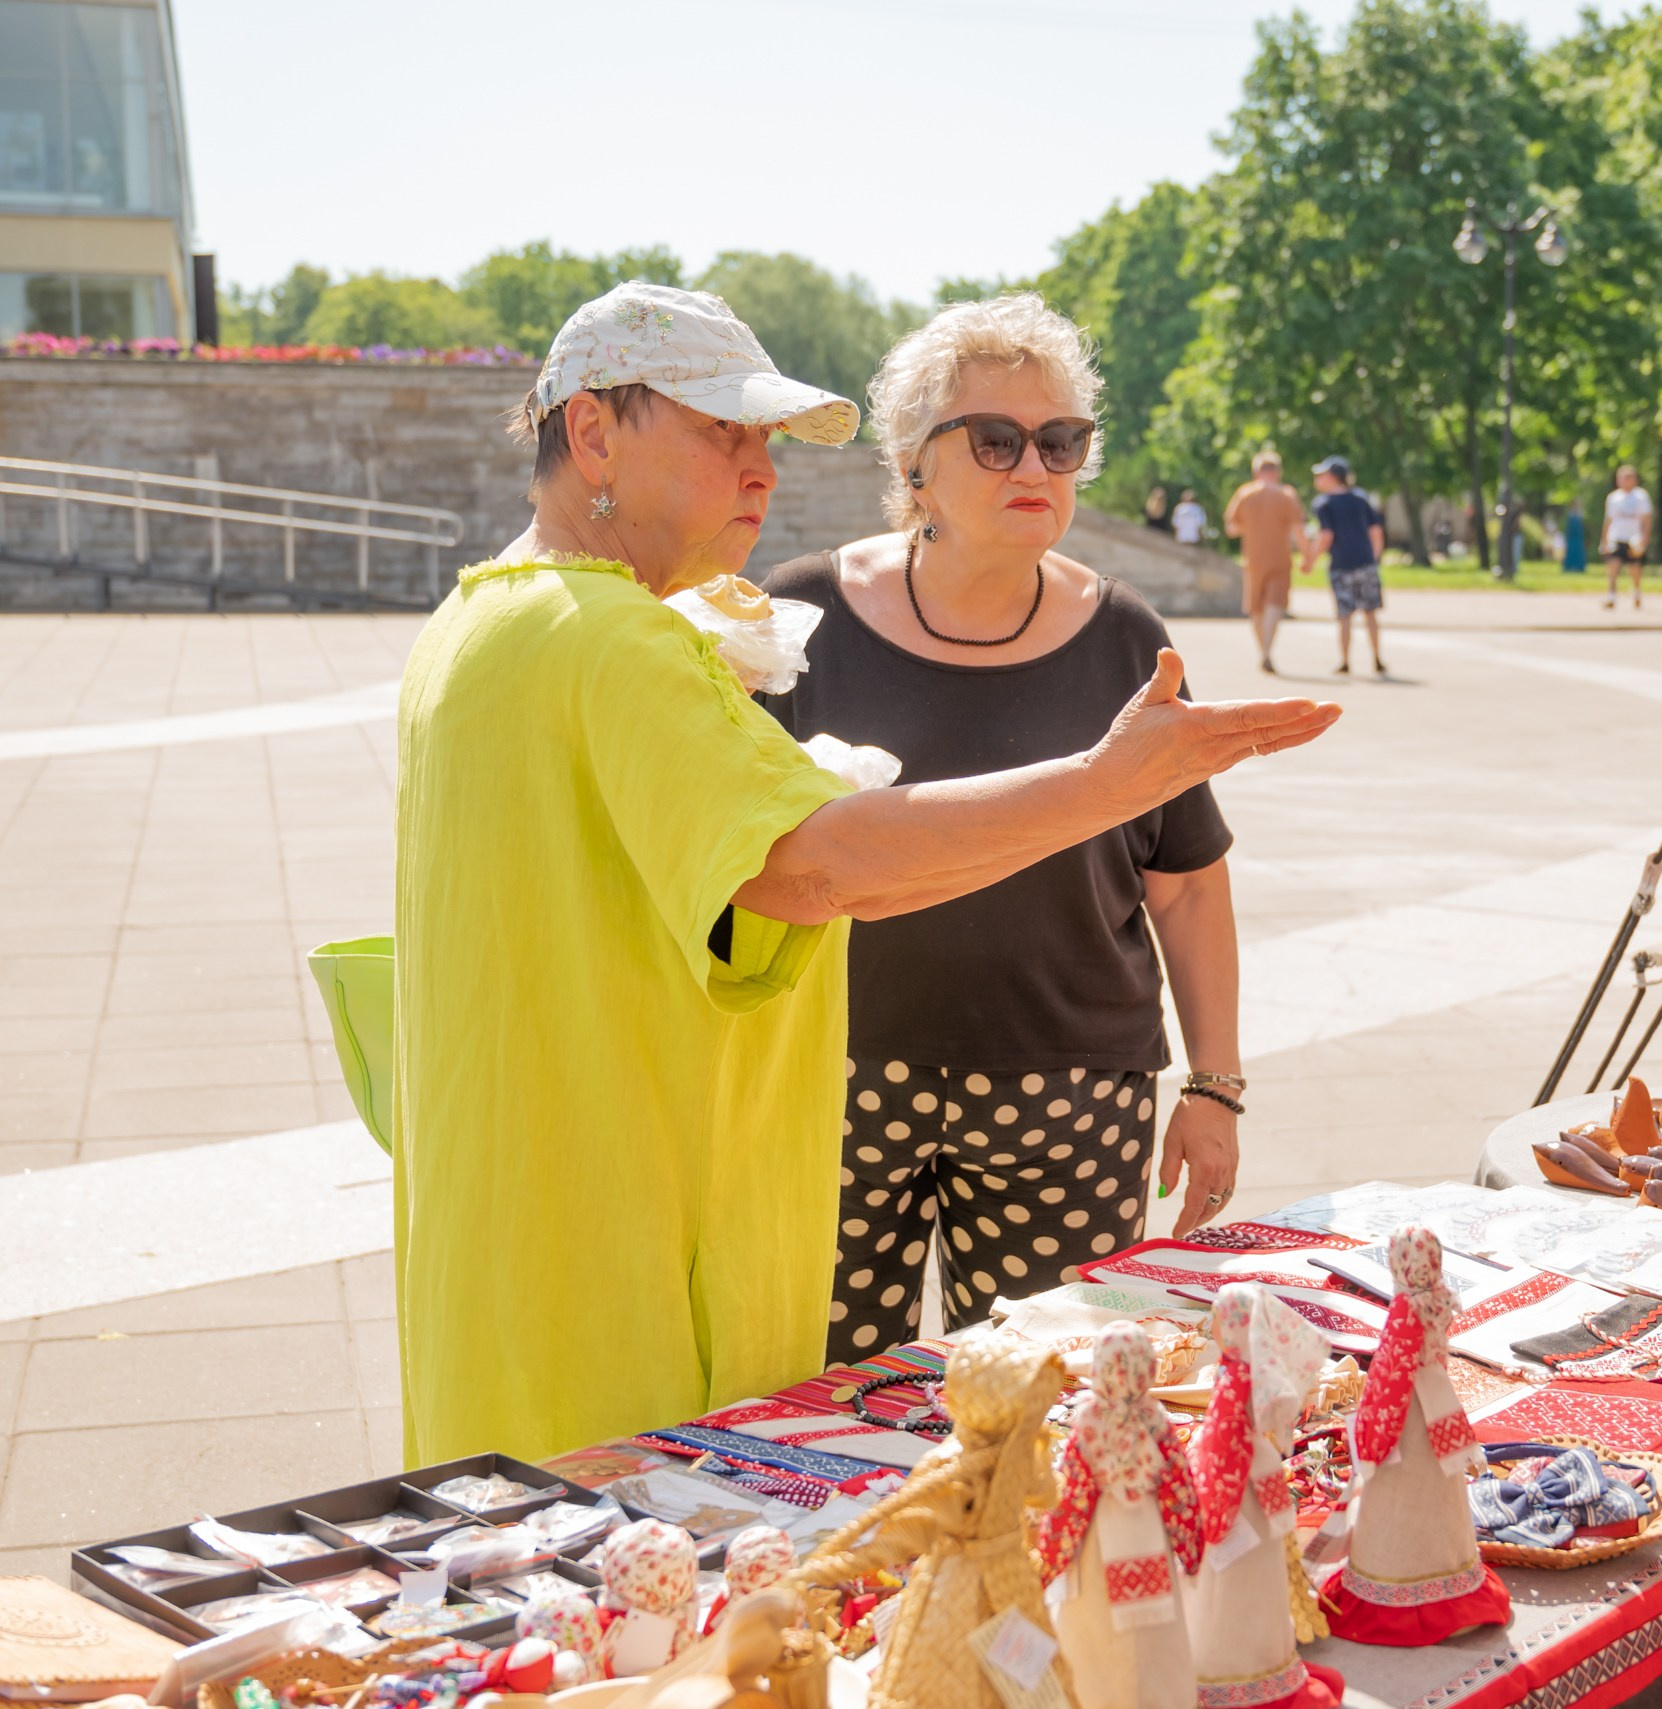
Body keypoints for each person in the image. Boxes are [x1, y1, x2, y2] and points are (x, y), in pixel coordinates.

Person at [394, 282, 1338, 1464]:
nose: (761, 473)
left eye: (765, 442)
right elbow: (817, 866)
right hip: (612, 1264)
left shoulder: (484, 617)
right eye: (721, 432)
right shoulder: (615, 639)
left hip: (517, 1240)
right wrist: (1104, 781)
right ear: (593, 434)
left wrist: (1215, 1073)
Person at [761, 296, 1257, 1359]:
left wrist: (1213, 1083)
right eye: (995, 439)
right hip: (831, 1082)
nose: (1034, 465)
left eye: (1061, 440)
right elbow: (733, 862)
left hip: (1071, 1096)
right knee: (820, 1395)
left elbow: (1182, 879)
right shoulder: (799, 619)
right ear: (914, 462)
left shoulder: (1127, 633)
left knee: (1047, 1402)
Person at [1224, 449, 1305, 673]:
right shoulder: (1287, 495)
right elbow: (1298, 529)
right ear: (1278, 472)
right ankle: (1267, 651)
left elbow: (1231, 528)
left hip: (1253, 559)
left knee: (1256, 609)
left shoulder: (1244, 494)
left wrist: (1251, 525)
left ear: (1255, 471)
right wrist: (1307, 555)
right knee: (1274, 606)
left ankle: (1263, 651)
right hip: (1280, 558)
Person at [1308, 455, 1385, 677]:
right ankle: (1377, 658)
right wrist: (1374, 558)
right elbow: (1376, 532)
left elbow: (1326, 536)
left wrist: (1311, 560)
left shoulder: (1323, 503)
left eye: (1321, 474)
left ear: (1332, 476)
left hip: (1341, 566)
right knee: (1370, 613)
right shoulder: (1360, 499)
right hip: (1366, 564)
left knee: (1345, 616)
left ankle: (1345, 660)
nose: (1318, 478)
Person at [1601, 463, 1651, 609]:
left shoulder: (1641, 497)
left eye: (1629, 478)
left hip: (1634, 538)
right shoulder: (1613, 498)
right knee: (1613, 565)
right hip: (1616, 536)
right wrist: (1603, 539)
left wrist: (1645, 537)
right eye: (1622, 478)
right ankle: (1611, 595)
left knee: (1634, 567)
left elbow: (1647, 519)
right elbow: (1608, 519)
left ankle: (1636, 592)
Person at [1561, 497, 1588, 573]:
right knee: (1571, 551)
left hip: (1579, 537)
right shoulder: (1570, 514)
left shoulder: (1580, 513)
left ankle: (1579, 568)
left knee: (1579, 552)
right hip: (1571, 537)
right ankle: (1569, 567)